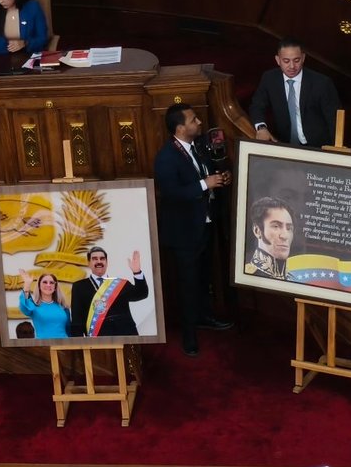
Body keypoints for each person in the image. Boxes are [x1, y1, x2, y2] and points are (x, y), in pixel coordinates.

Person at [154, 103, 233, 355]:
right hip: (184, 233)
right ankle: (189, 337)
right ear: (180, 128)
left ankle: (204, 317)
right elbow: (171, 193)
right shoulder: (166, 157)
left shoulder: (198, 147)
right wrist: (205, 184)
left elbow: (208, 173)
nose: (199, 122)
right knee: (187, 284)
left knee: (204, 278)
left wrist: (221, 178)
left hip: (204, 225)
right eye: (193, 120)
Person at [248, 38, 343, 147]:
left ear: (303, 58)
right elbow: (257, 105)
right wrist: (261, 127)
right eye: (286, 61)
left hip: (317, 147)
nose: (292, 66)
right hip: (283, 144)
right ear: (278, 60)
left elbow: (335, 120)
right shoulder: (269, 78)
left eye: (296, 60)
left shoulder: (322, 83)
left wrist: (334, 149)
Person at [69, 248, 150, 338]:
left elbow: (141, 293)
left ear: (106, 262)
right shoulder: (79, 287)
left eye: (102, 258)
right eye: (95, 259)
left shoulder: (120, 284)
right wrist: (79, 343)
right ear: (89, 263)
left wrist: (137, 272)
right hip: (97, 339)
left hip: (125, 336)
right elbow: (76, 320)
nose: (99, 261)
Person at [244, 196, 295, 280]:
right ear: (257, 231)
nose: (285, 236)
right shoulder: (248, 276)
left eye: (289, 228)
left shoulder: (293, 279)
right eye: (276, 226)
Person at [16, 271, 70, 338]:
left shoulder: (63, 306)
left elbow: (69, 329)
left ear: (55, 287)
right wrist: (27, 285)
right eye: (45, 282)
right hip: (43, 344)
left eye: (51, 282)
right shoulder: (34, 306)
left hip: (64, 343)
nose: (48, 285)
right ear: (39, 286)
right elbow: (24, 307)